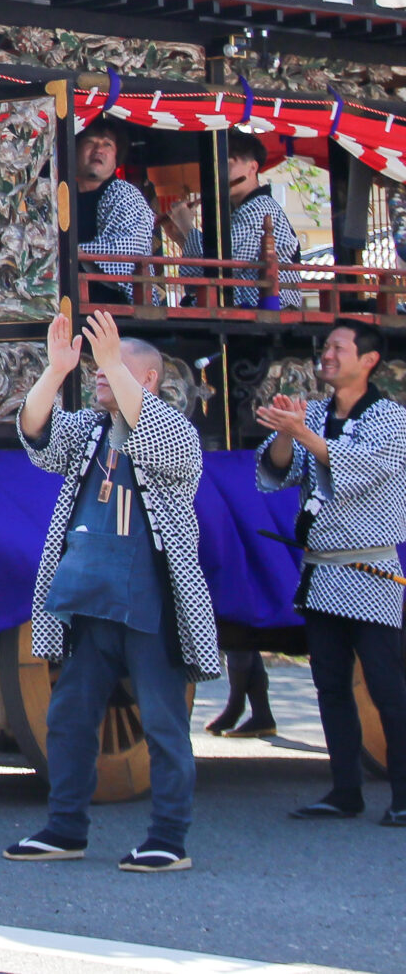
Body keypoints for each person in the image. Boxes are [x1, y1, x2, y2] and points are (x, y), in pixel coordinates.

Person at [5, 310, 215, 870]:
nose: (98, 376)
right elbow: (34, 433)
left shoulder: (174, 431)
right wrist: (54, 372)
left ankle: (169, 837)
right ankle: (65, 827)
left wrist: (114, 363)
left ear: (145, 379)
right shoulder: (89, 432)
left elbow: (148, 427)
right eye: (98, 371)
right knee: (69, 719)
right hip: (89, 603)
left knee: (164, 723)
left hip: (151, 603)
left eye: (111, 369)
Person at [257, 318, 406, 826]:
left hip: (371, 570)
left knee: (386, 685)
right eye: (326, 347)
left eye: (339, 348)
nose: (327, 354)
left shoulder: (391, 418)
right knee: (331, 686)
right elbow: (280, 471)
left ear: (369, 361)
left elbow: (360, 468)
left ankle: (404, 795)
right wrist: (284, 433)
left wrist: (301, 433)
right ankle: (345, 790)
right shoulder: (313, 413)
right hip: (321, 571)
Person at [75, 119, 158, 305]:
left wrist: (68, 253)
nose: (98, 150)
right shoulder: (58, 196)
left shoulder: (124, 193)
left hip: (122, 309)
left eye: (107, 144)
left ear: (116, 158)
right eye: (90, 142)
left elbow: (126, 249)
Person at [224, 131, 303, 310]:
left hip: (267, 309)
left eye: (228, 164)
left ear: (252, 168)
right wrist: (181, 236)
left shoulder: (258, 208)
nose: (220, 173)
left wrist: (188, 227)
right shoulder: (247, 208)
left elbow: (222, 267)